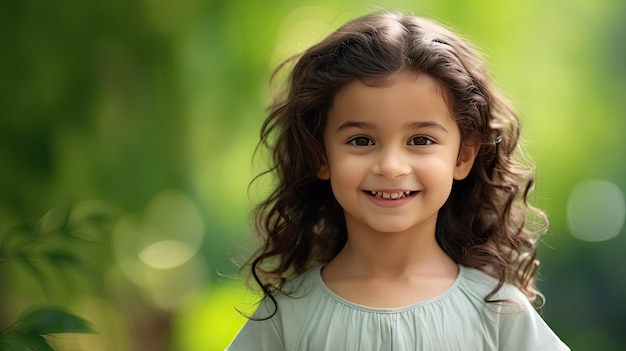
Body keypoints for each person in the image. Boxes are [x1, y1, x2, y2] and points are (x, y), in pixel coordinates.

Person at [227, 11, 569, 351]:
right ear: (320, 156)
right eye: (361, 140)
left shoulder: (498, 312)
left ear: (463, 156)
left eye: (420, 140)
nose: (391, 166)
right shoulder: (287, 316)